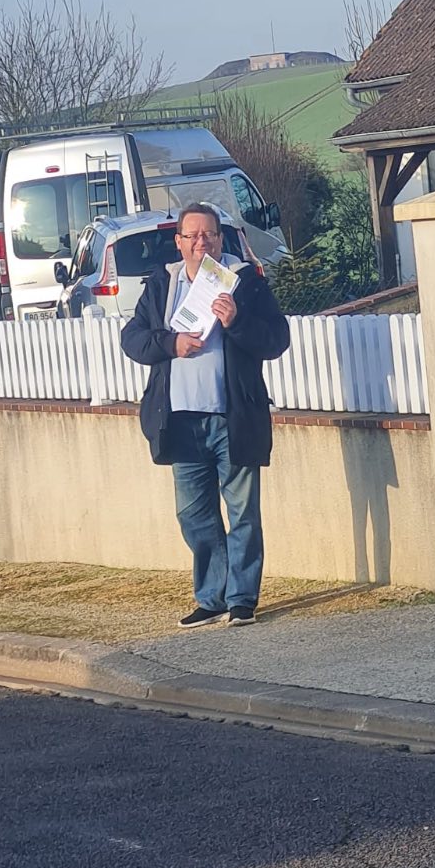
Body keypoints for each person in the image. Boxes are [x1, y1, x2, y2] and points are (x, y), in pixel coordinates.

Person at [121, 203, 290, 629]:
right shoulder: (163, 283)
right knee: (194, 515)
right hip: (180, 420)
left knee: (243, 514)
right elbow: (133, 339)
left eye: (209, 234)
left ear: (220, 238)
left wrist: (237, 322)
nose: (201, 242)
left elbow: (276, 339)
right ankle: (211, 597)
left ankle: (241, 599)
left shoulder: (244, 281)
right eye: (192, 235)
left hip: (234, 418)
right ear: (178, 242)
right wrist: (170, 344)